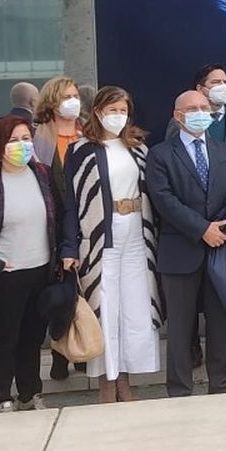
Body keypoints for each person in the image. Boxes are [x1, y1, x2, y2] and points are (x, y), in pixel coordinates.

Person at [0, 115, 77, 411]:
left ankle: (30, 392)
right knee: (4, 338)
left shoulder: (43, 174)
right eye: (13, 140)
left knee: (33, 338)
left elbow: (59, 218)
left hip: (41, 271)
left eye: (25, 139)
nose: (21, 145)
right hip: (3, 276)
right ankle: (2, 396)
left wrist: (65, 252)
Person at [147, 90, 226, 396]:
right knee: (181, 329)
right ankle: (179, 390)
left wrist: (222, 229)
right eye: (193, 108)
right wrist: (201, 229)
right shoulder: (160, 154)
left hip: (221, 250)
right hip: (180, 251)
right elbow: (163, 200)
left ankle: (221, 387)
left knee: (220, 325)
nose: (201, 112)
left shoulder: (224, 152)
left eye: (205, 107)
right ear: (178, 116)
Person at [63, 87, 162, 402]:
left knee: (135, 306)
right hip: (100, 237)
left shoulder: (138, 148)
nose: (118, 116)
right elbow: (70, 203)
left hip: (137, 233)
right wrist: (68, 248)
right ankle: (107, 382)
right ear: (98, 111)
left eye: (123, 110)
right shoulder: (80, 150)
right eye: (113, 109)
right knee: (105, 306)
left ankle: (126, 380)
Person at [35, 76, 88, 382]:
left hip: (87, 221)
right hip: (52, 226)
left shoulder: (86, 132)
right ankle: (59, 350)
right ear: (52, 101)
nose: (73, 100)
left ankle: (81, 346)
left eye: (76, 95)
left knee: (84, 289)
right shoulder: (39, 136)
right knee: (61, 290)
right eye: (67, 96)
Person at [165, 63, 226, 143]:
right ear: (200, 89)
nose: (223, 86)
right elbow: (171, 150)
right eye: (216, 82)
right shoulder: (182, 119)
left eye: (225, 82)